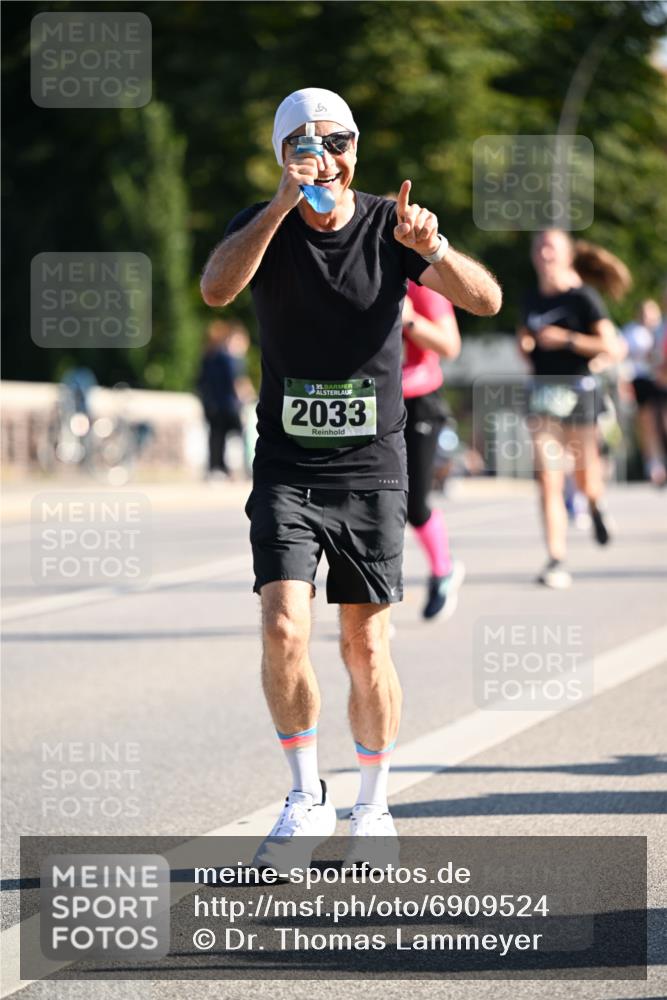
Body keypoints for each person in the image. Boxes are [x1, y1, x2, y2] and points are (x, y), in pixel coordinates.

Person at [201, 87, 501, 860]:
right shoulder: (259, 227)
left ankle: (372, 805)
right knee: (281, 626)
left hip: (373, 466)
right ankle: (305, 797)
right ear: (282, 154)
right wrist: (276, 206)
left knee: (364, 647)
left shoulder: (390, 226)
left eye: (338, 143)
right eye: (306, 144)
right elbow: (216, 288)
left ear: (355, 150)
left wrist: (431, 250)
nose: (325, 157)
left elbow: (487, 300)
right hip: (287, 466)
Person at [518, 230, 631, 589]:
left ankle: (595, 504)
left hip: (579, 391)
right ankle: (556, 558)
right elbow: (526, 341)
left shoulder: (583, 298)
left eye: (551, 246)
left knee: (585, 477)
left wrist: (566, 339)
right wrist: (526, 344)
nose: (544, 252)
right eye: (539, 246)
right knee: (549, 478)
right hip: (542, 394)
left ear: (567, 256)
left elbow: (612, 347)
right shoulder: (530, 298)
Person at [402, 280, 465, 619]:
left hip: (418, 401)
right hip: (368, 400)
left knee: (414, 504)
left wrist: (409, 320)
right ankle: (370, 605)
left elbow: (450, 345)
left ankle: (443, 570)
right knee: (371, 505)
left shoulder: (421, 283)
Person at [621, 299, 667, 486]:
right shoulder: (632, 331)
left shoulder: (662, 328)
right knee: (648, 424)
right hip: (642, 380)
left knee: (663, 421)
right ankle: (654, 465)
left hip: (661, 379)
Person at [197, 319, 246, 478]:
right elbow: (236, 381)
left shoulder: (207, 358)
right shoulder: (229, 359)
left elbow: (201, 382)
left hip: (213, 404)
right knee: (240, 436)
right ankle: (241, 467)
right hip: (229, 404)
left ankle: (217, 467)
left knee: (216, 438)